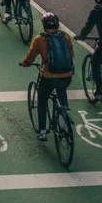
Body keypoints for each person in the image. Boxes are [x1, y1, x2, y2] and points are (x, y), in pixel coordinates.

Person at [20, 13, 74, 141]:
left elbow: (31, 56)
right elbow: (71, 54)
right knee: (61, 90)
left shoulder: (40, 39)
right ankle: (64, 110)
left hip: (49, 76)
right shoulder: (65, 36)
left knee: (42, 101)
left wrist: (25, 63)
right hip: (67, 75)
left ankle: (43, 131)